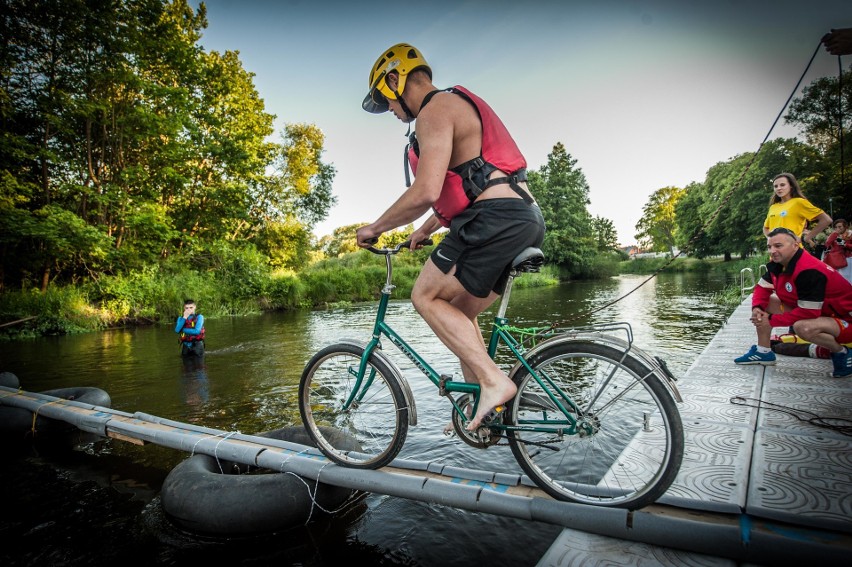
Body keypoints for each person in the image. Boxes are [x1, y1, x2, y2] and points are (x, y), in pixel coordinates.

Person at [356, 43, 546, 431]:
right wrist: (423, 230)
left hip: (494, 218)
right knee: (458, 309)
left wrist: (374, 228)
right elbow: (458, 192)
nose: (391, 111)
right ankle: (482, 398)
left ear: (395, 80)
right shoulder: (454, 105)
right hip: (522, 215)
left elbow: (425, 191)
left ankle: (494, 383)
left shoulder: (434, 111)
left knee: (424, 296)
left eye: (386, 101)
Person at [734, 227, 852, 378]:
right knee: (766, 302)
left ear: (795, 245)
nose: (772, 251)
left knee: (803, 327)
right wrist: (756, 308)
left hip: (845, 320)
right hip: (823, 314)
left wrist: (770, 320)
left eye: (778, 246)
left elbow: (809, 312)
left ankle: (842, 353)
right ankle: (763, 351)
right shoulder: (780, 262)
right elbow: (762, 288)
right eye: (769, 247)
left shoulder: (809, 270)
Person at [762, 172, 832, 251]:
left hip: (793, 251)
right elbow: (765, 228)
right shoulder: (773, 207)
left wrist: (806, 237)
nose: (778, 188)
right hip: (775, 254)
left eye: (782, 185)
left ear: (791, 186)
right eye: (775, 186)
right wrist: (773, 242)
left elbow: (826, 220)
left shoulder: (799, 202)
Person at [824, 218, 852, 284]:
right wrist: (834, 235)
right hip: (836, 259)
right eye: (836, 227)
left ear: (845, 226)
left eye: (840, 226)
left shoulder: (850, 234)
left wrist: (845, 245)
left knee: (847, 277)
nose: (838, 228)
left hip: (847, 258)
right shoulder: (834, 234)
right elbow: (827, 244)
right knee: (837, 278)